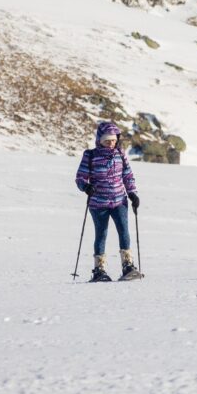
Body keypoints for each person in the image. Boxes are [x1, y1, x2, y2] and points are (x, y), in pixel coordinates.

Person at [75, 120, 142, 282]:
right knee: (101, 234)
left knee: (124, 232)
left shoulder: (120, 154)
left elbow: (127, 175)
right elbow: (80, 177)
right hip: (98, 203)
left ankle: (128, 266)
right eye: (107, 140)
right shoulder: (90, 155)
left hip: (119, 200)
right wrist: (86, 187)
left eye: (113, 140)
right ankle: (99, 270)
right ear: (99, 140)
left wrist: (132, 193)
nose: (111, 143)